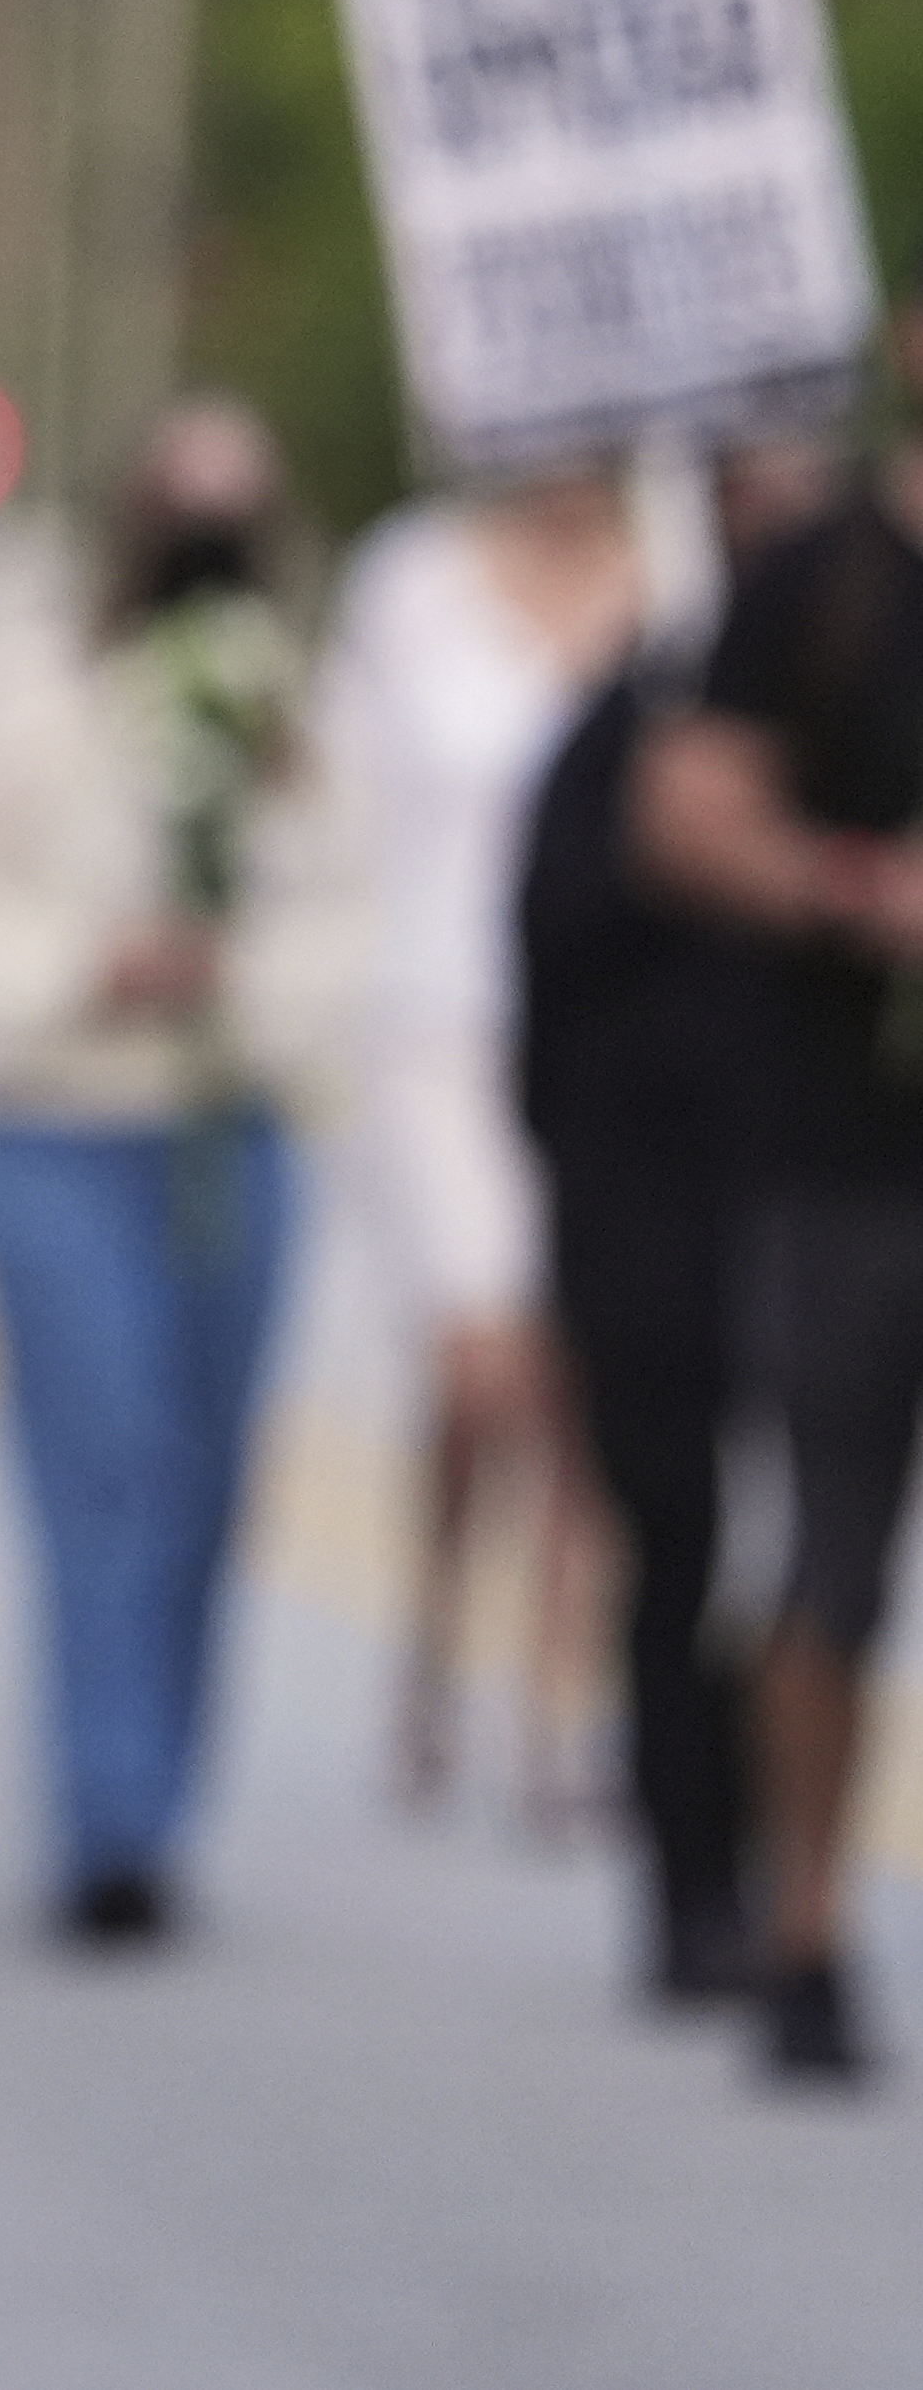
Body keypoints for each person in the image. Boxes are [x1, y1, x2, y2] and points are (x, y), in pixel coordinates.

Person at [0, 396, 339, 1940]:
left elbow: (352, 911)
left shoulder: (290, 700)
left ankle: (163, 1783)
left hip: (229, 1129)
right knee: (103, 1464)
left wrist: (235, 978)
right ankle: (109, 1814)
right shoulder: (22, 683)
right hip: (59, 1130)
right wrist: (85, 967)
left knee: (206, 1476)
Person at [638, 287, 923, 2079]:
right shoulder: (816, 575)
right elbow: (683, 811)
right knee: (828, 1550)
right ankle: (804, 1917)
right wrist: (850, 886)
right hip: (844, 1153)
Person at [320, 465, 646, 1825]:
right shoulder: (412, 581)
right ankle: (435, 1632)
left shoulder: (666, 571)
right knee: (479, 1369)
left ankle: (551, 1700)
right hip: (437, 1025)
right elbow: (344, 800)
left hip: (601, 1029)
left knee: (579, 1379)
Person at [515, 457, 790, 2005]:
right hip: (646, 1204)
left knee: (806, 1552)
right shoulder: (618, 728)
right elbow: (552, 965)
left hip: (807, 1191)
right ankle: (694, 1876)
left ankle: (783, 1875)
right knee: (674, 1530)